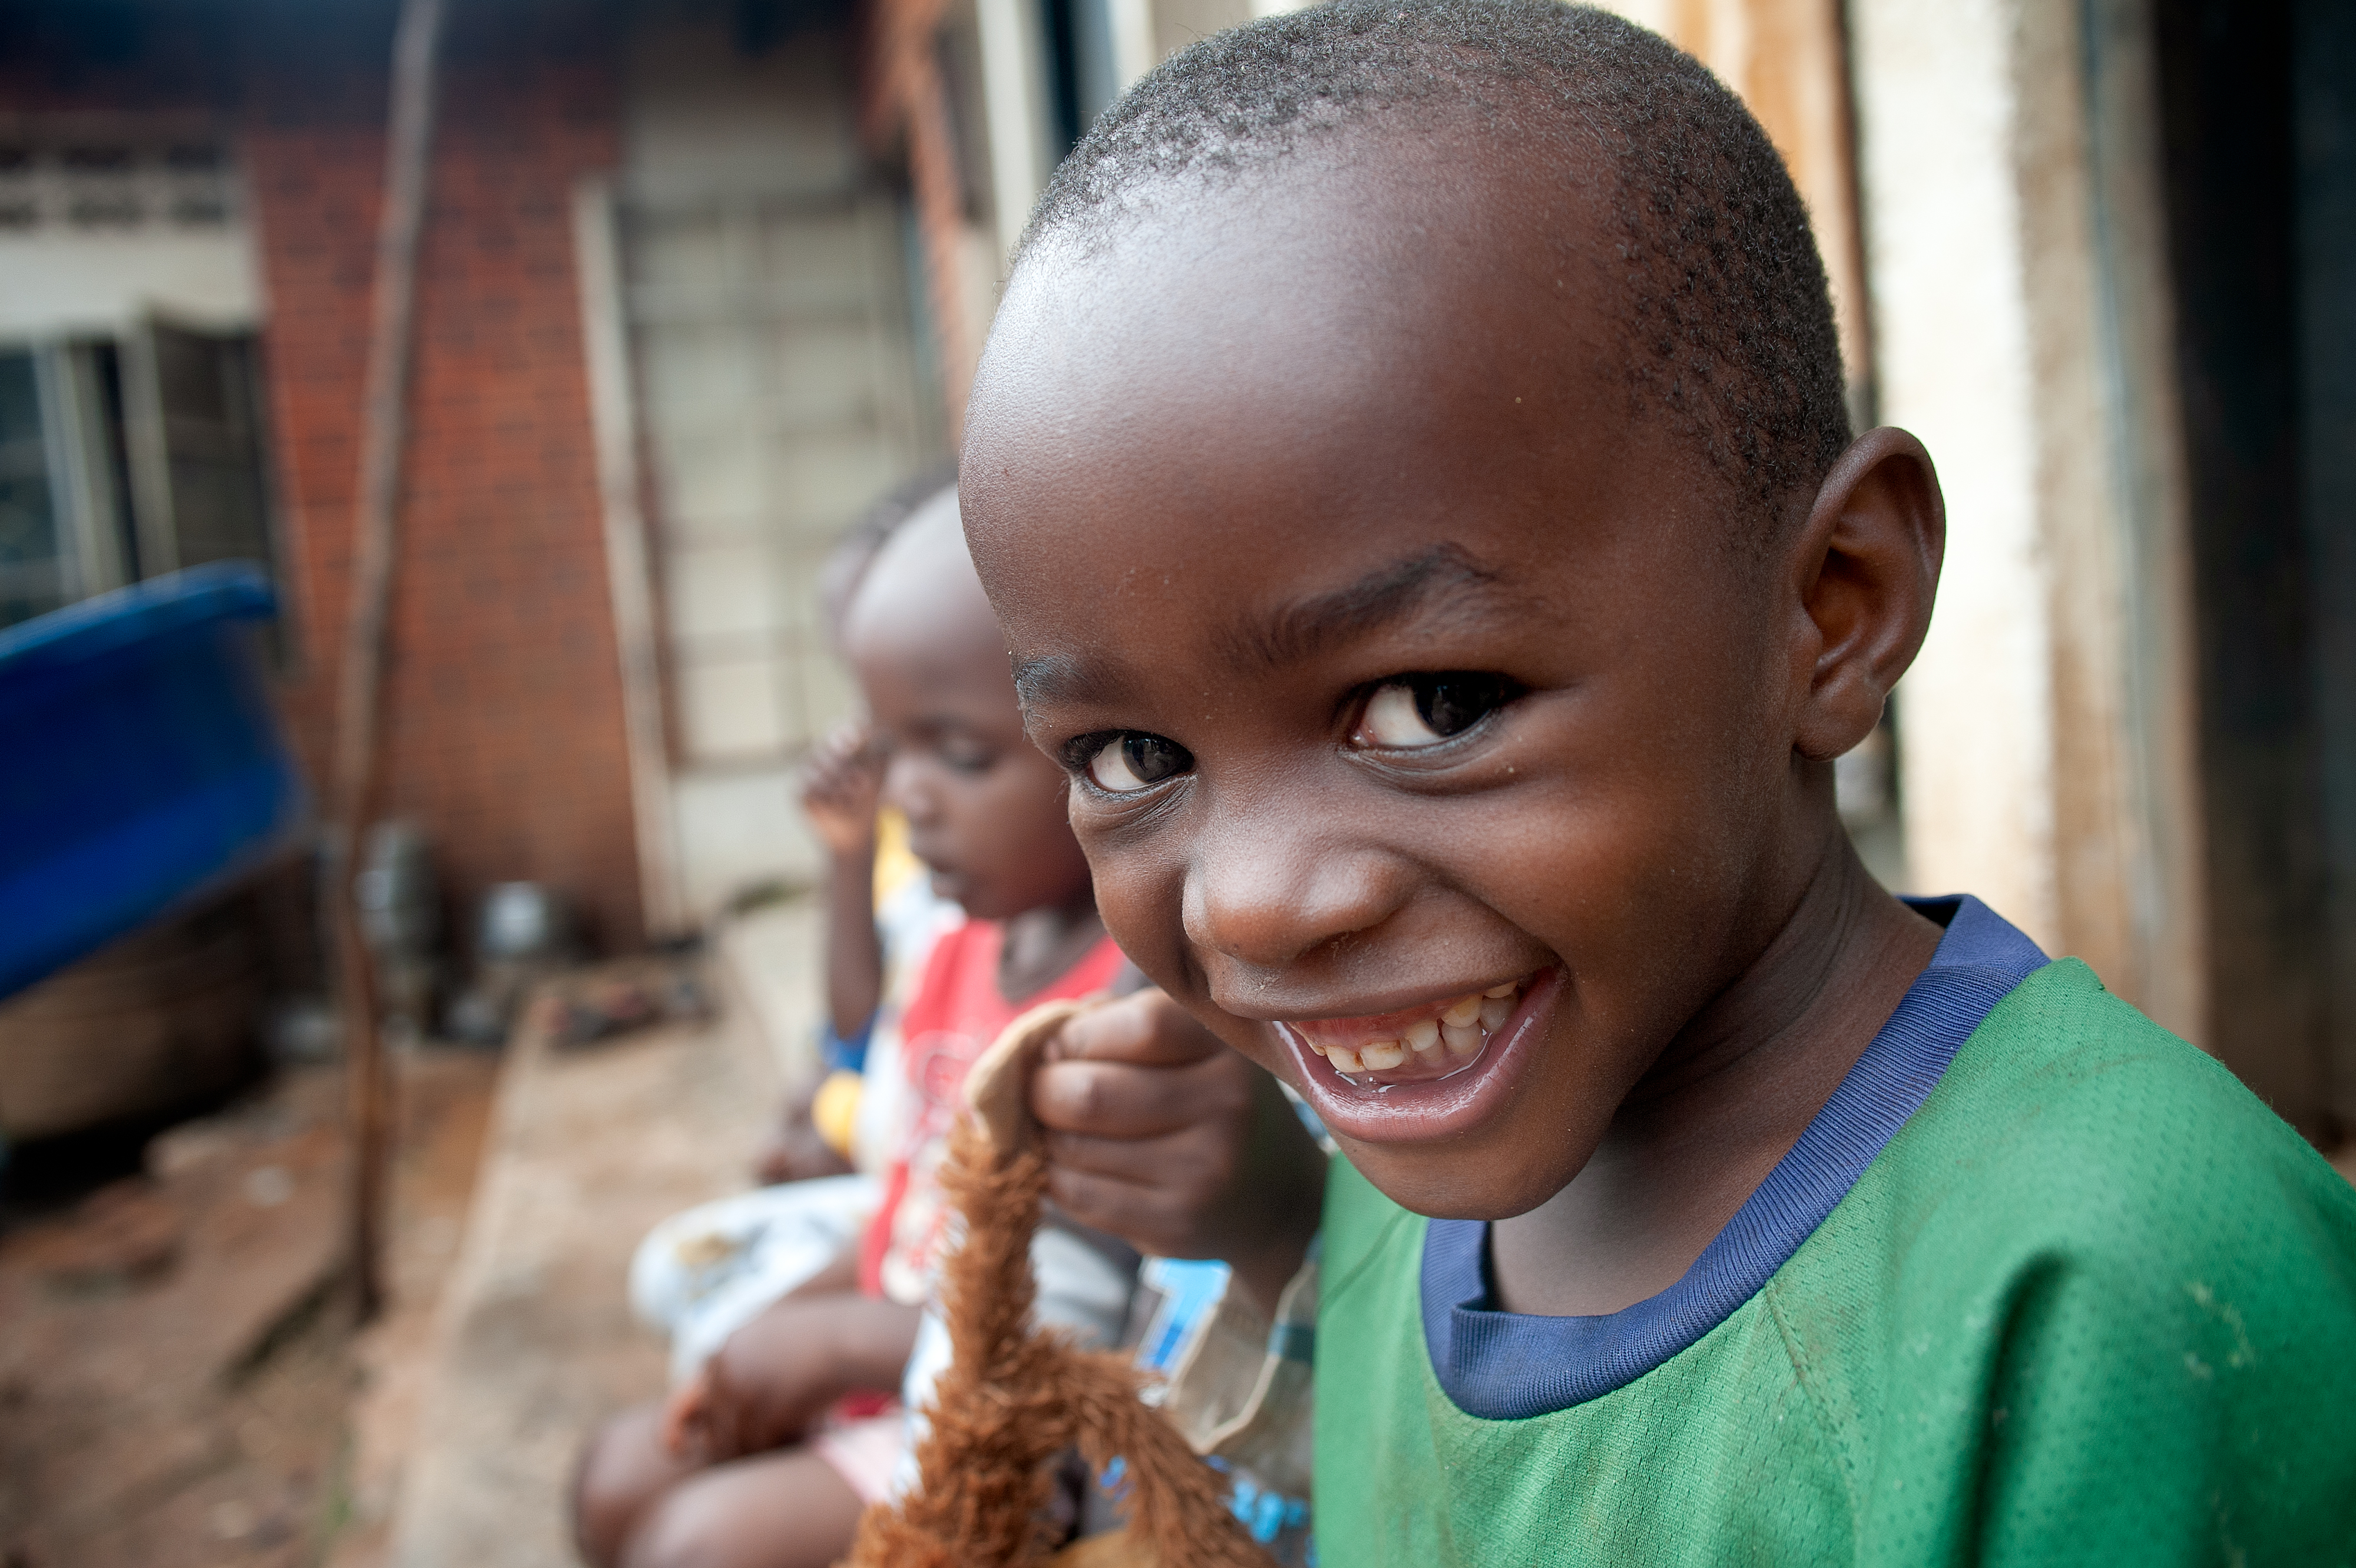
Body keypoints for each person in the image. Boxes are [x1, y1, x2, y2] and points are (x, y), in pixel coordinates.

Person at [950, 2, 2356, 1562]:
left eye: (1435, 705)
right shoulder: (1400, 1183)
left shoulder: (2101, 1295)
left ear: (1832, 603)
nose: (1254, 900)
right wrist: (1287, 1226)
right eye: (1134, 758)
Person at [574, 490, 1138, 1568]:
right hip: (889, 1353)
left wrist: (833, 1343)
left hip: (996, 1425)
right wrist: (775, 1325)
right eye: (893, 753)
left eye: (961, 756)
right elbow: (905, 1207)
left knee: (694, 1544)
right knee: (614, 1477)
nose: (908, 800)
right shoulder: (962, 950)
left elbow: (1088, 1331)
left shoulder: (1120, 1011)